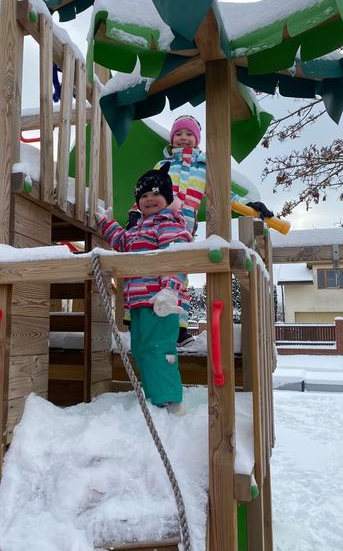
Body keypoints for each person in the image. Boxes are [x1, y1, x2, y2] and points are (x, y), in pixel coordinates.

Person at [127, 114, 274, 346]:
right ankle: (135, 319)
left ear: (197, 140)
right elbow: (147, 190)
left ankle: (178, 328)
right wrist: (135, 213)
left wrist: (250, 206)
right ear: (172, 139)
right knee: (146, 270)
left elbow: (224, 194)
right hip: (153, 227)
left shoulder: (204, 169)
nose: (183, 138)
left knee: (179, 273)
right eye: (178, 134)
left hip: (182, 230)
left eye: (189, 134)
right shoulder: (163, 165)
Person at [96, 162, 192, 414]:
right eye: (144, 195)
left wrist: (170, 290)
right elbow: (122, 241)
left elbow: (176, 258)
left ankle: (169, 401)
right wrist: (105, 222)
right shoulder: (139, 228)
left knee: (157, 348)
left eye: (155, 194)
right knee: (141, 350)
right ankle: (155, 397)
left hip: (160, 302)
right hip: (139, 304)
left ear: (167, 198)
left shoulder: (169, 224)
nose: (149, 199)